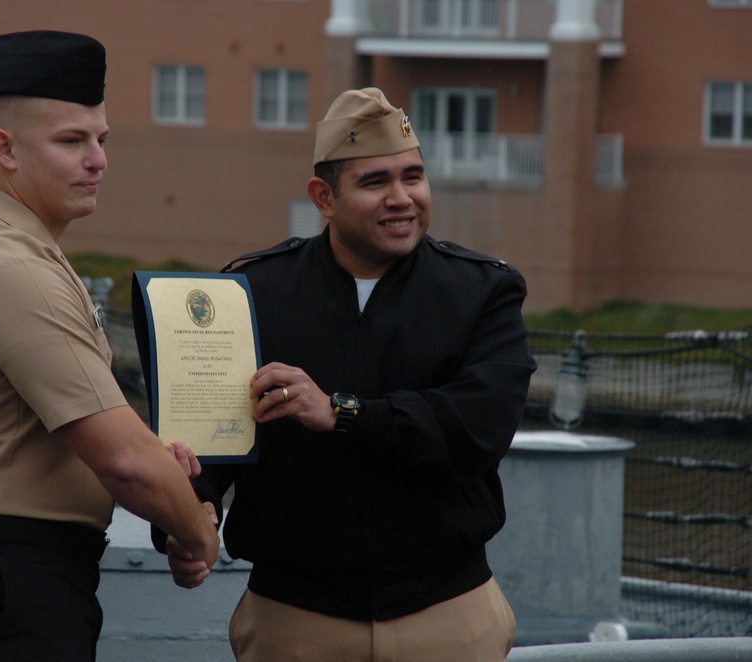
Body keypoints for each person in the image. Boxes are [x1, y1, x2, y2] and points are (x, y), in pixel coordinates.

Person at [159, 88, 537, 661]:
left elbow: (477, 428)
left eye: (413, 177)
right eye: (374, 182)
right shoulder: (254, 293)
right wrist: (189, 514)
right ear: (324, 197)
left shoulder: (481, 293)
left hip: (447, 618)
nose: (401, 198)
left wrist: (340, 411)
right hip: (295, 623)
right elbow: (210, 437)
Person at [0, 30, 219, 661]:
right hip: (5, 585)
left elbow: (107, 450)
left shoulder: (20, 256)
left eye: (101, 139)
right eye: (71, 141)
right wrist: (197, 536)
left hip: (11, 579)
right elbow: (124, 463)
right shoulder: (11, 269)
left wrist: (160, 465)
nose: (97, 159)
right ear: (5, 148)